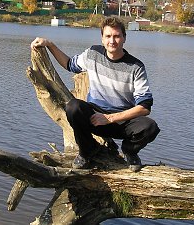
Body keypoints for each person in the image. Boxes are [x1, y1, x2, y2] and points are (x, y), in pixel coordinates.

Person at [31, 16, 160, 171]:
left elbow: (145, 107)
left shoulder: (136, 67)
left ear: (124, 38)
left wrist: (109, 118)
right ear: (102, 38)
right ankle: (87, 151)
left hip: (122, 122)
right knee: (73, 107)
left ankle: (129, 151)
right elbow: (69, 64)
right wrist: (50, 44)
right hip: (94, 118)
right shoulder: (93, 54)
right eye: (108, 36)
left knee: (150, 127)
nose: (112, 41)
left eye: (117, 36)